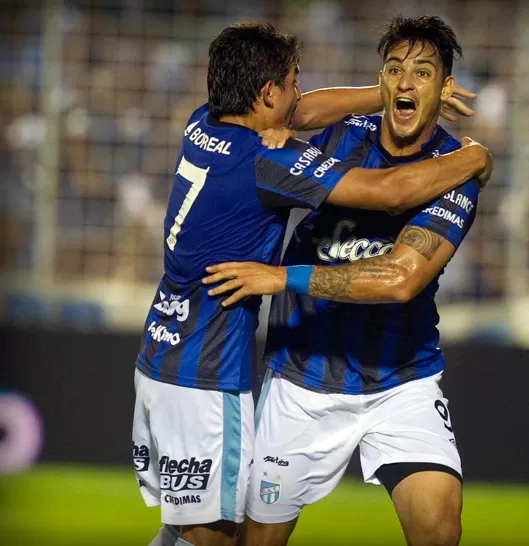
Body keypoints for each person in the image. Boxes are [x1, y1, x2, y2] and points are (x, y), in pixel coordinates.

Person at [133, 21, 489, 546]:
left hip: (401, 380)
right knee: (232, 538)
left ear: (445, 85)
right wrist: (479, 156)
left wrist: (282, 277)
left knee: (440, 528)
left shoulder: (448, 170)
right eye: (394, 72)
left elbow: (399, 278)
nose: (406, 85)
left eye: (422, 74)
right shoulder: (346, 137)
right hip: (301, 380)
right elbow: (319, 134)